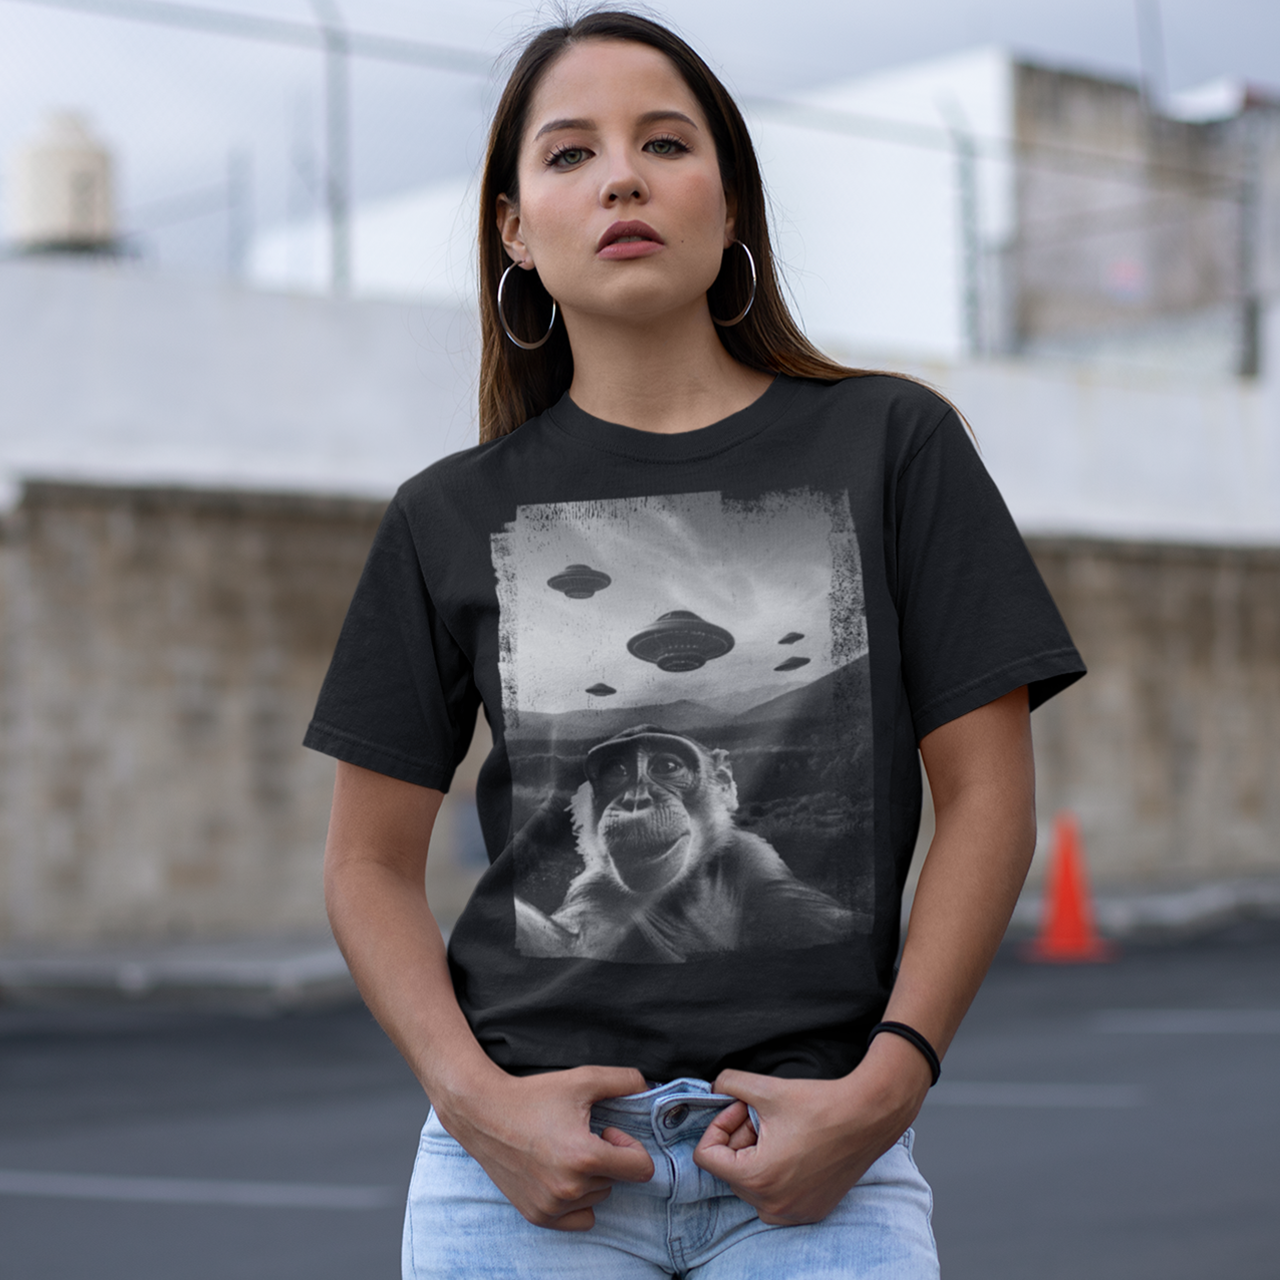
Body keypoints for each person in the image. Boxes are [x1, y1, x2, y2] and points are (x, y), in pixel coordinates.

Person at [305, 10, 1086, 1277]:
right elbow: (366, 866)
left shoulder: (892, 445)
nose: (619, 175)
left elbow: (987, 796)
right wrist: (473, 1100)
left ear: (729, 204)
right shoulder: (444, 514)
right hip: (522, 1167)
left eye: (662, 142)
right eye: (568, 154)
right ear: (513, 229)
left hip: (819, 1158)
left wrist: (889, 1084)